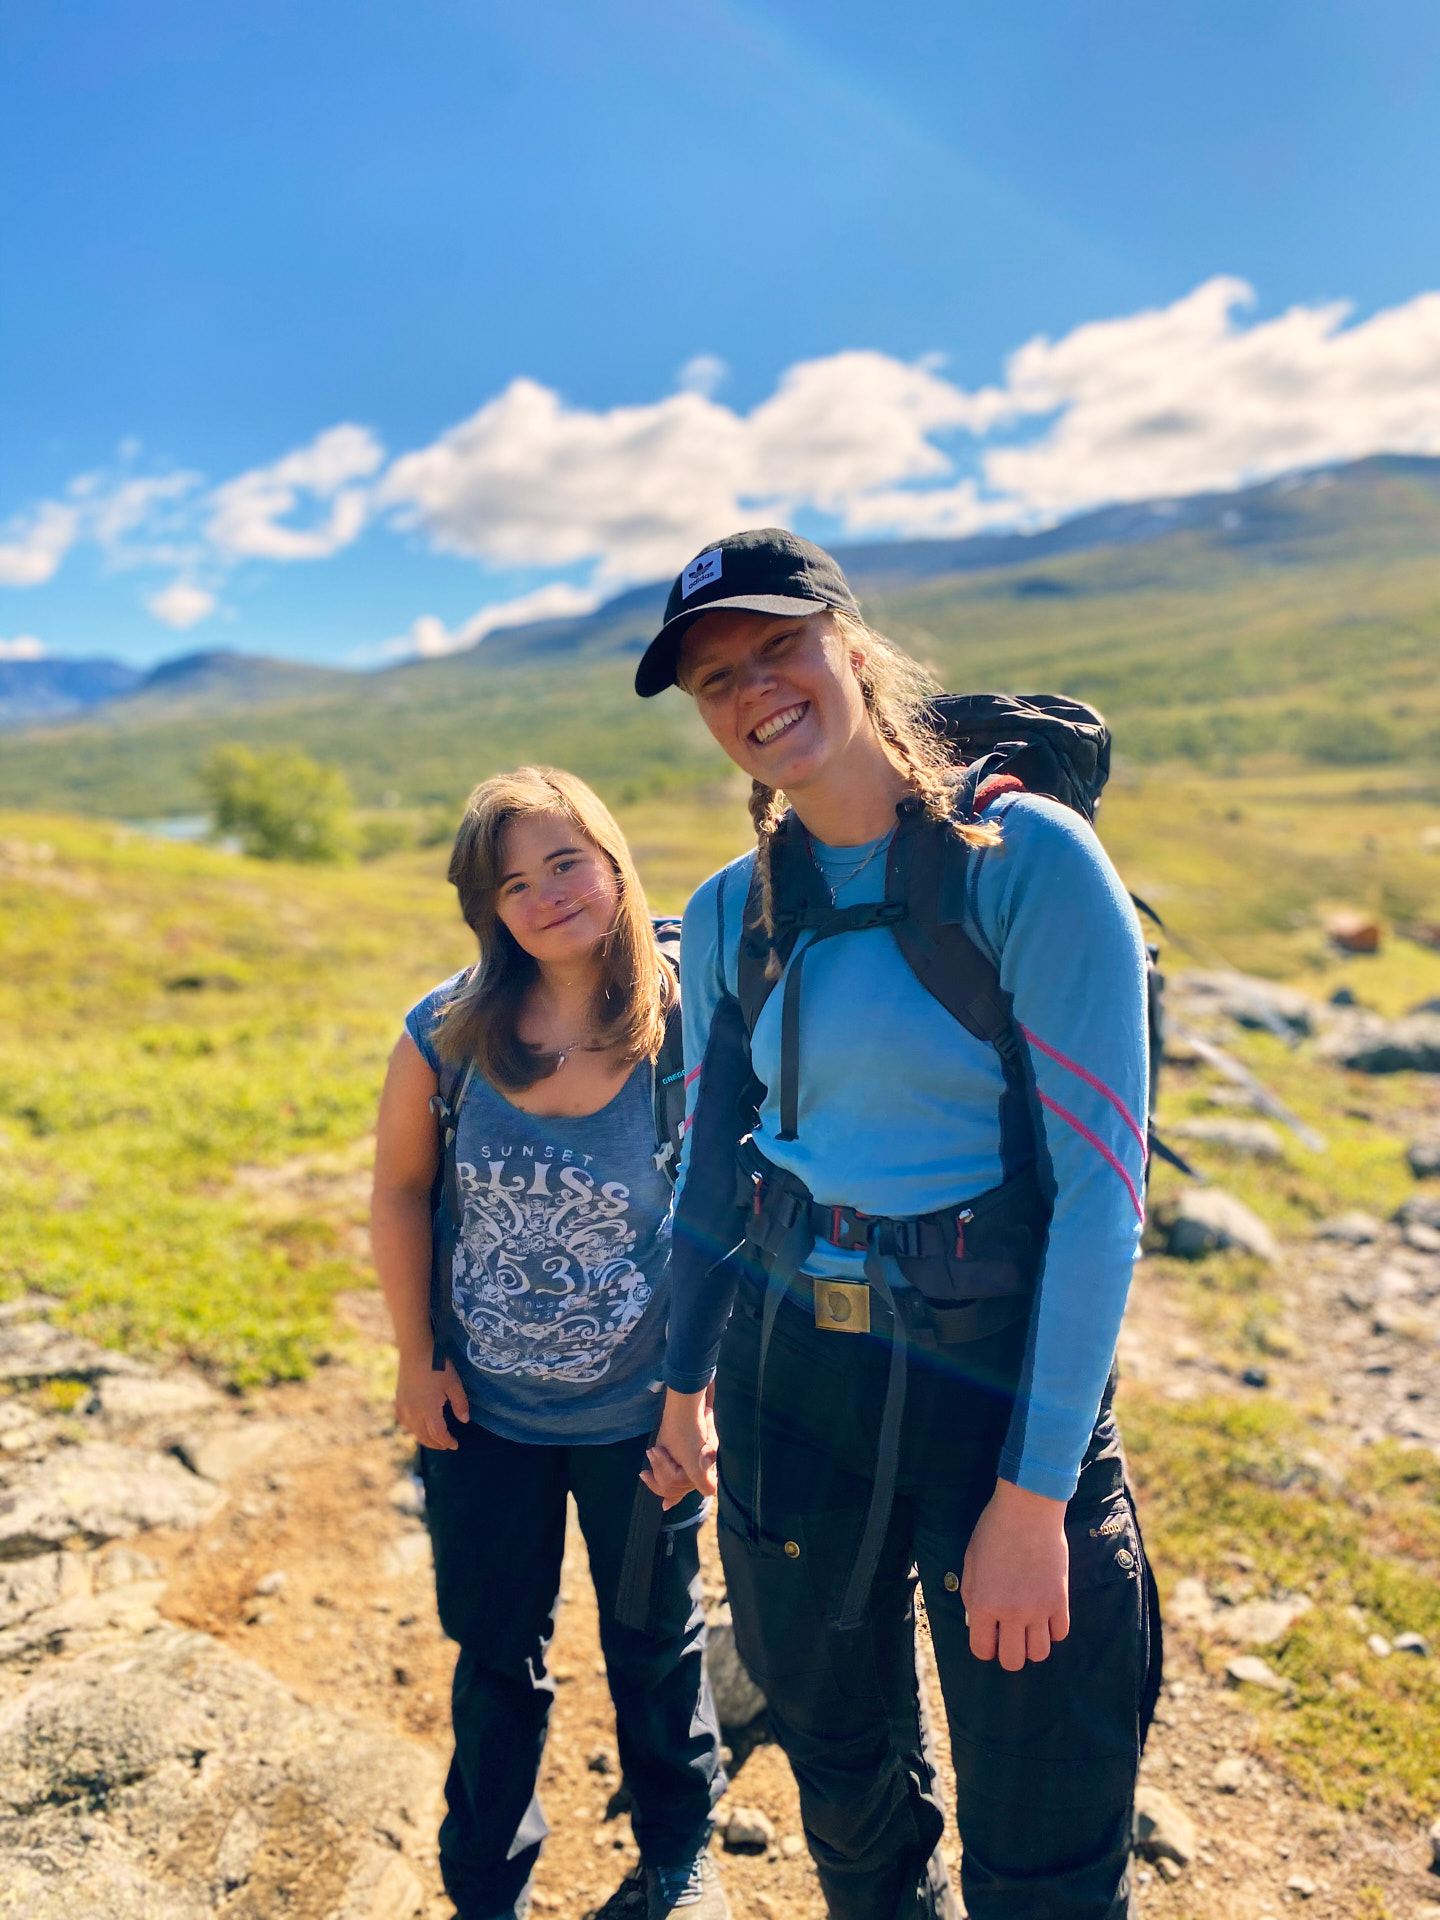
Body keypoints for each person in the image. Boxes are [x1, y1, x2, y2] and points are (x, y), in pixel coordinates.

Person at [633, 531, 1157, 1920]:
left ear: (853, 648)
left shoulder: (1026, 863)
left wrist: (1034, 1500)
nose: (753, 691)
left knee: (1046, 1840)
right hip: (793, 1377)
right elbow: (710, 1175)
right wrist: (681, 1388)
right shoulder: (732, 909)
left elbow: (1102, 1205)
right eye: (716, 680)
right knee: (848, 1789)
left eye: (778, 648)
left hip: (992, 1384)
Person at [370, 766, 729, 1920]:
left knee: (655, 1641)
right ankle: (486, 1886)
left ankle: (679, 1850)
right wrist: (416, 1357)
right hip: (482, 1415)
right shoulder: (447, 1033)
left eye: (565, 862)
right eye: (512, 882)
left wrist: (691, 1400)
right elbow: (399, 1192)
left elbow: (727, 1217)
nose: (545, 895)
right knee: (494, 1657)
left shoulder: (690, 1025)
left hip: (641, 1415)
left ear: (615, 863)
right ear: (486, 908)